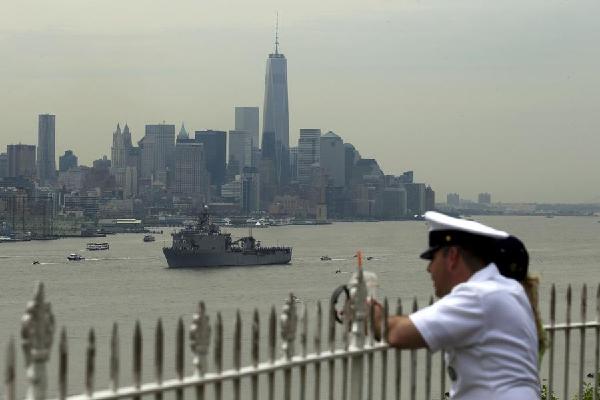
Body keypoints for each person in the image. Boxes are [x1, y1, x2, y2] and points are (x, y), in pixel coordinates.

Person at [372, 211, 541, 399]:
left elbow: (396, 333)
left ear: (452, 256)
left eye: (432, 258)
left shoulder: (478, 295)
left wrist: (368, 314)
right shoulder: (510, 290)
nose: (429, 269)